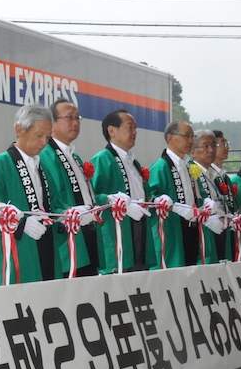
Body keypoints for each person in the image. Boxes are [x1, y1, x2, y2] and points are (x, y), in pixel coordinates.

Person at [0, 105, 58, 284]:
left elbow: (55, 202)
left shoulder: (42, 167)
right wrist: (20, 223)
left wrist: (68, 214)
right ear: (19, 130)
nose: (44, 142)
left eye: (48, 136)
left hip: (43, 245)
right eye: (39, 135)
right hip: (14, 250)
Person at [38, 99, 95, 276]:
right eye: (69, 117)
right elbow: (52, 199)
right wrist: (70, 212)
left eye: (77, 117)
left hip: (87, 231)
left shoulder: (74, 156)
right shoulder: (47, 153)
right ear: (52, 124)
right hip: (67, 237)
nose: (75, 122)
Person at [88, 109, 149, 273]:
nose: (135, 132)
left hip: (140, 224)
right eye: (130, 127)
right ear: (112, 130)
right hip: (118, 230)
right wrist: (111, 199)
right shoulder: (102, 159)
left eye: (135, 128)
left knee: (140, 272)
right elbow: (92, 197)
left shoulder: (133, 161)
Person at [147, 120, 200, 268]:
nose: (190, 141)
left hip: (192, 226)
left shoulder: (189, 166)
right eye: (186, 136)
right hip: (173, 227)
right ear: (170, 137)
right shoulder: (160, 166)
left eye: (192, 137)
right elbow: (151, 196)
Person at [190, 129, 228, 263]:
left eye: (213, 145)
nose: (211, 150)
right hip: (203, 230)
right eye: (205, 146)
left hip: (220, 227)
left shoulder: (215, 174)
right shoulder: (190, 171)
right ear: (193, 151)